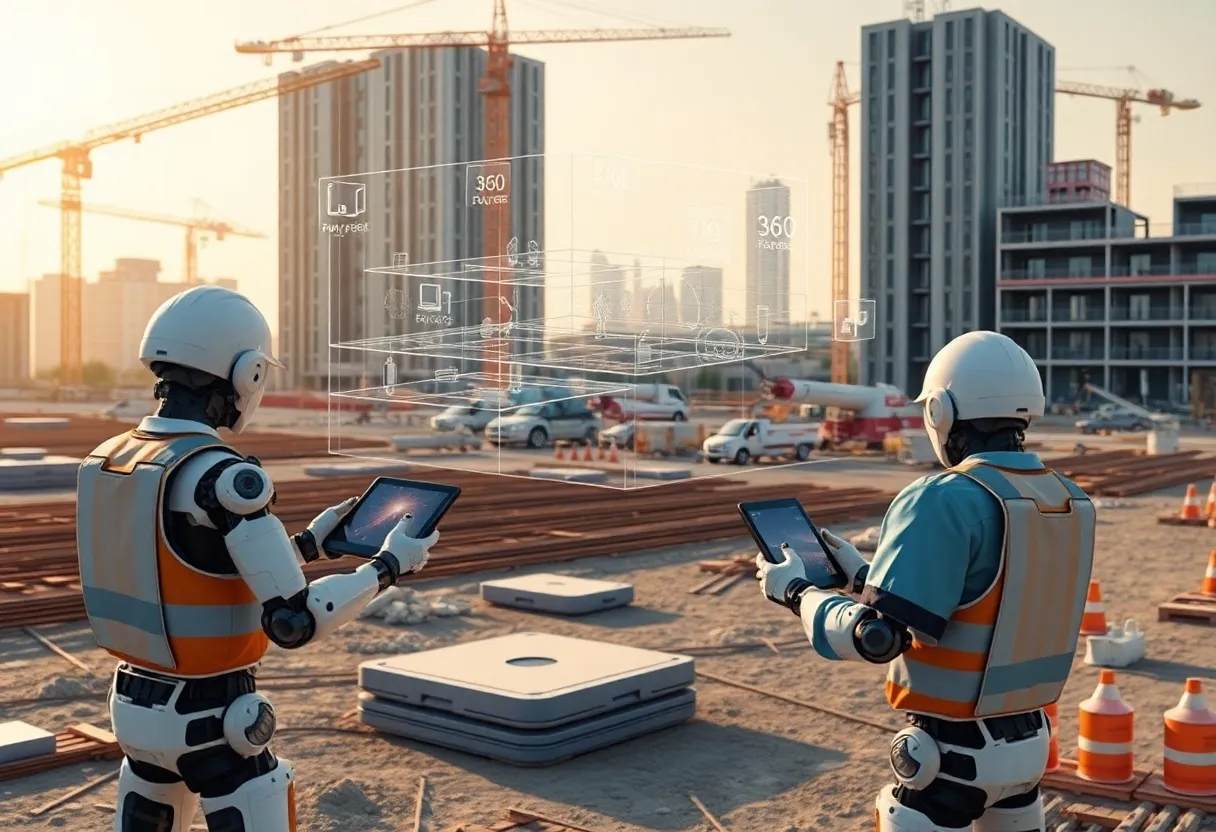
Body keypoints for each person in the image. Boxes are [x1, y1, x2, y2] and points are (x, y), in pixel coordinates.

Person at [77, 285, 439, 832]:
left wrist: (309, 544)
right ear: (246, 374)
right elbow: (294, 621)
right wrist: (387, 567)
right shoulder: (224, 478)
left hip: (133, 705)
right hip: (210, 719)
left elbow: (188, 569)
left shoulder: (110, 459)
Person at [755, 330, 1096, 832]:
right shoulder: (1069, 499)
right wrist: (862, 578)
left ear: (939, 411)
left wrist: (796, 592)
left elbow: (876, 637)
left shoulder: (944, 497)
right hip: (1030, 745)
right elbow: (992, 601)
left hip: (954, 757)